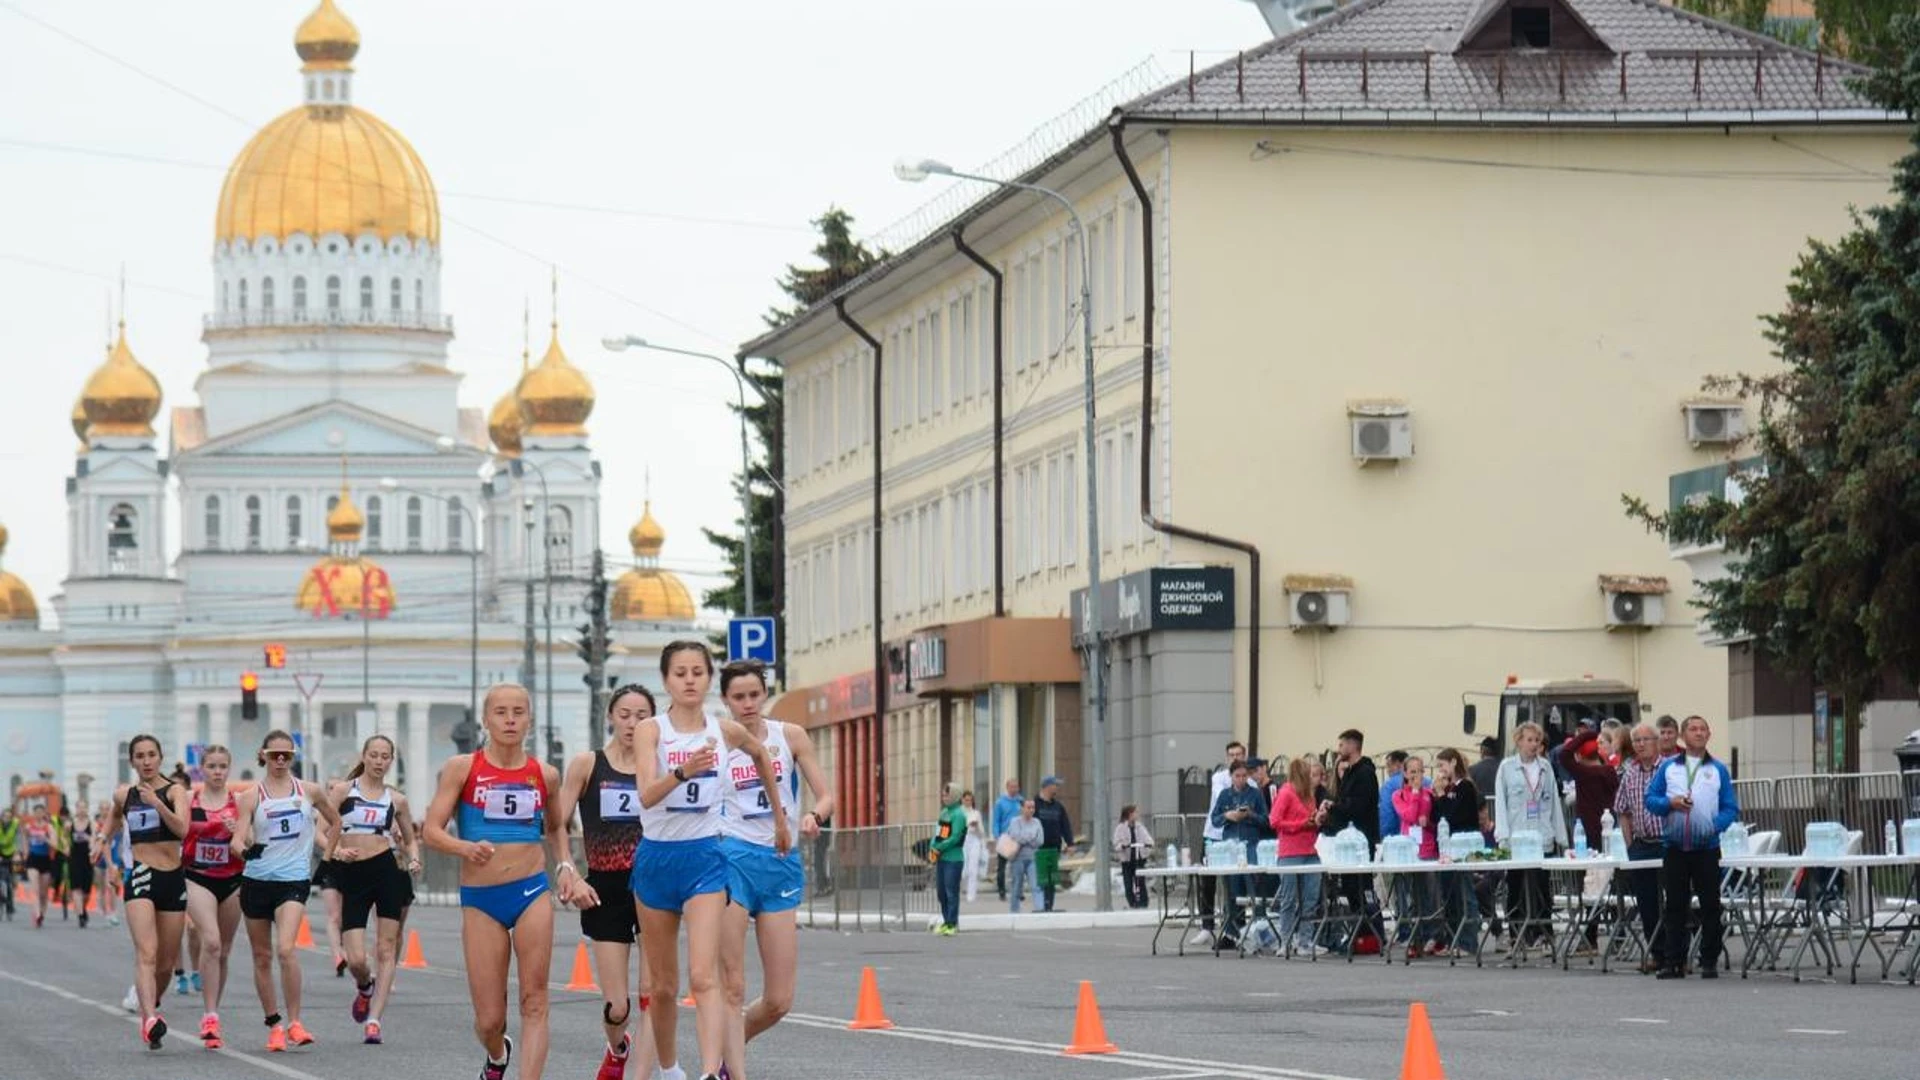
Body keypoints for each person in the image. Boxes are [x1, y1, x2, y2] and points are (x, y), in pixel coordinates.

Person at [631, 643, 788, 1080]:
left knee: (704, 978)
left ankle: (707, 1072)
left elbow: (762, 755)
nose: (689, 680)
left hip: (705, 858)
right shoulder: (652, 730)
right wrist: (684, 771)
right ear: (666, 680)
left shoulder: (724, 731)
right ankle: (669, 1069)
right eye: (680, 673)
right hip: (658, 859)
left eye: (697, 672)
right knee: (662, 987)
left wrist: (780, 818)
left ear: (707, 680)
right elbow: (645, 794)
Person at [423, 683, 572, 1080]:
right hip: (482, 898)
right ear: (486, 719)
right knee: (489, 1020)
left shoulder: (545, 774)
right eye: (501, 712)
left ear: (529, 719)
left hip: (530, 890)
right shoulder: (463, 768)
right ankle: (496, 1052)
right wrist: (463, 848)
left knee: (535, 1000)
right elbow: (431, 831)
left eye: (518, 712)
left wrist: (566, 867)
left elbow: (557, 827)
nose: (510, 720)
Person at [714, 659, 831, 1080]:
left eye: (753, 695)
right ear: (725, 699)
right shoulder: (716, 741)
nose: (747, 704)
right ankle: (730, 1069)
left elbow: (825, 795)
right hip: (731, 857)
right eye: (738, 697)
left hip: (780, 862)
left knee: (780, 999)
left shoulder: (790, 736)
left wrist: (813, 817)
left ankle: (728, 1046)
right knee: (733, 986)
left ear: (765, 693)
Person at [556, 684, 661, 1080]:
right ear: (611, 717)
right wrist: (567, 868)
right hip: (604, 887)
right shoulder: (587, 765)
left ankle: (640, 1075)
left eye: (641, 716)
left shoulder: (662, 765)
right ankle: (618, 1047)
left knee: (652, 995)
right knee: (617, 1005)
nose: (633, 723)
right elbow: (557, 823)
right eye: (625, 714)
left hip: (654, 885)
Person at [233, 729, 342, 1052]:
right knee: (262, 956)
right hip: (256, 880)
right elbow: (237, 838)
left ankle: (296, 1022)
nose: (280, 760)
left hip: (293, 880)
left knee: (285, 949)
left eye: (287, 755)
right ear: (263, 755)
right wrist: (244, 851)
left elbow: (335, 822)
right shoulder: (251, 796)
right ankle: (274, 1024)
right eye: (274, 755)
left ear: (294, 757)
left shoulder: (309, 791)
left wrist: (328, 857)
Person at [329, 734, 421, 1045]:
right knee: (356, 958)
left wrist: (415, 858)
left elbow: (410, 838)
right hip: (353, 874)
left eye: (385, 757)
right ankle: (365, 986)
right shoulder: (343, 791)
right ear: (364, 757)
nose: (379, 761)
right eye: (375, 755)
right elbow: (319, 831)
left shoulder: (397, 800)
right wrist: (337, 850)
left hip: (386, 871)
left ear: (391, 761)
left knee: (385, 948)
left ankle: (374, 1020)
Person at [103, 734, 190, 1049]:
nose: (146, 761)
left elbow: (183, 829)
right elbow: (114, 815)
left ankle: (151, 1005)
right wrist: (102, 840)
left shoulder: (175, 791)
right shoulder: (124, 794)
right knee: (147, 953)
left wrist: (157, 803)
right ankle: (150, 1018)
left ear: (160, 758)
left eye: (151, 755)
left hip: (172, 877)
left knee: (166, 964)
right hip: (139, 874)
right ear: (133, 761)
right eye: (139, 756)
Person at [1645, 715, 1739, 981]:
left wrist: (1714, 825)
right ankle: (1674, 961)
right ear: (1682, 737)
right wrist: (1670, 803)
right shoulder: (1668, 768)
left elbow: (1730, 808)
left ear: (1709, 735)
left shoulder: (1718, 769)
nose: (1698, 733)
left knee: (1710, 904)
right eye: (1692, 729)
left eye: (1702, 729)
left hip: (1706, 846)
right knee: (1674, 905)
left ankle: (1709, 959)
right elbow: (1650, 799)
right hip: (1674, 846)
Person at [181, 744, 245, 1049]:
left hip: (233, 879)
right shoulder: (189, 799)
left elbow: (252, 843)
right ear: (201, 769)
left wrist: (239, 833)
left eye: (222, 766)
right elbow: (176, 831)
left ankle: (213, 1010)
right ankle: (209, 1015)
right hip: (198, 876)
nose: (217, 772)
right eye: (212, 766)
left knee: (225, 950)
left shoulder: (240, 802)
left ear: (228, 769)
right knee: (212, 941)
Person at [1492, 720, 1566, 951]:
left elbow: (1553, 801)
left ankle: (1545, 934)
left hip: (1542, 836)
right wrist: (1502, 836)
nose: (1534, 745)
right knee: (1515, 886)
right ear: (1519, 741)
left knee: (1542, 886)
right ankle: (1516, 934)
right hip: (1517, 838)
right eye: (1529, 740)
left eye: (1537, 740)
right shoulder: (1506, 767)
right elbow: (1501, 804)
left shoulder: (1545, 767)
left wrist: (1560, 836)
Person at [1613, 720, 1669, 974]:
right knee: (1646, 903)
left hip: (1668, 843)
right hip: (1642, 845)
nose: (1641, 745)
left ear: (1657, 742)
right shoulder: (1630, 773)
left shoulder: (1669, 769)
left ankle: (1678, 952)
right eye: (1636, 741)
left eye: (1646, 740)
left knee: (1675, 901)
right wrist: (1629, 843)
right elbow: (1622, 810)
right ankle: (1657, 953)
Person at [1325, 729, 1380, 945]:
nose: (1339, 750)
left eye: (1341, 745)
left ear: (1352, 745)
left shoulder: (1365, 773)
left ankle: (1370, 933)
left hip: (1361, 841)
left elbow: (1358, 806)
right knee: (1349, 888)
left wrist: (1336, 807)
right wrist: (1333, 808)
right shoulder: (1348, 773)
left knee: (1361, 888)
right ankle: (1359, 932)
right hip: (1347, 841)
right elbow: (1343, 801)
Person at [1268, 758, 1326, 956]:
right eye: (1308, 774)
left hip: (1310, 850)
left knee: (1310, 898)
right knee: (1288, 899)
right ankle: (1285, 940)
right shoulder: (1286, 793)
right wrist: (1301, 823)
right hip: (1290, 852)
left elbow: (1311, 817)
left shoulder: (1309, 796)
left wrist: (1317, 819)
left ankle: (1305, 940)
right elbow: (1274, 820)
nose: (1312, 778)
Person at [1209, 760, 1267, 950]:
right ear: (1231, 777)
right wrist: (1228, 816)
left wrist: (1250, 814)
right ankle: (1232, 932)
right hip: (1231, 847)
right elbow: (1215, 819)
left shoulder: (1255, 794)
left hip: (1250, 845)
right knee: (1233, 891)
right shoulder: (1225, 795)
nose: (1241, 779)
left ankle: (1258, 932)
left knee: (1254, 890)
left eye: (1244, 776)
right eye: (1237, 776)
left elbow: (1266, 820)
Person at [1430, 748, 1482, 958]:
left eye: (1442, 765)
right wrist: (1438, 796)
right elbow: (1438, 816)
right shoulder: (1449, 789)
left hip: (1463, 846)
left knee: (1465, 894)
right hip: (1448, 848)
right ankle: (1453, 939)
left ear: (1453, 763)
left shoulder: (1465, 787)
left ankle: (1468, 941)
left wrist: (1443, 797)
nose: (1440, 771)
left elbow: (1454, 815)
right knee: (1450, 896)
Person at [1193, 740, 1247, 944]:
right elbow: (1222, 800)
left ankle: (1235, 925)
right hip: (1213, 834)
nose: (1235, 758)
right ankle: (1207, 925)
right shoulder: (1219, 778)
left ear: (1244, 756)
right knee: (1207, 880)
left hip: (1233, 838)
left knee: (1234, 883)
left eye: (1239, 755)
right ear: (1227, 758)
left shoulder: (1248, 781)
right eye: (1232, 755)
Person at [928, 783, 968, 935]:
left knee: (951, 892)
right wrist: (933, 846)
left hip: (954, 858)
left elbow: (955, 837)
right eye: (944, 795)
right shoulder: (944, 813)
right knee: (941, 892)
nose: (944, 798)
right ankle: (946, 921)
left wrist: (939, 847)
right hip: (942, 858)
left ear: (955, 796)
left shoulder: (959, 814)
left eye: (948, 795)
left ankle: (953, 923)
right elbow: (938, 832)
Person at [1032, 776, 1075, 914]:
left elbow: (1065, 826)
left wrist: (1070, 843)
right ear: (1047, 787)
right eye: (1055, 785)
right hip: (1038, 848)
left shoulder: (1058, 807)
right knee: (1041, 878)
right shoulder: (1035, 804)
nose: (1057, 788)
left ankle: (1049, 905)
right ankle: (1041, 905)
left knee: (1052, 878)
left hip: (1054, 848)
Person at [22, 803, 57, 929]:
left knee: (44, 893)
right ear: (33, 814)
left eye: (40, 812)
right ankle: (36, 914)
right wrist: (26, 852)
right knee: (35, 889)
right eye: (36, 812)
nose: (38, 815)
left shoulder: (49, 827)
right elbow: (25, 839)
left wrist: (45, 839)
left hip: (46, 860)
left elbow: (55, 845)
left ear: (44, 814)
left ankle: (42, 914)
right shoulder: (28, 827)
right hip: (33, 859)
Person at [1112, 805, 1154, 910]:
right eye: (1135, 812)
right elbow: (1116, 842)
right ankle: (1132, 902)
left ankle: (1143, 902)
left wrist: (1148, 844)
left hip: (1139, 857)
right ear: (1129, 814)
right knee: (1128, 882)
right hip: (1127, 859)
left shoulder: (1139, 827)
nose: (1137, 815)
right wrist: (1122, 846)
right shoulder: (1120, 828)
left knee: (1140, 880)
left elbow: (1147, 838)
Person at [990, 779, 1022, 901]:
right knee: (1002, 866)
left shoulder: (1020, 801)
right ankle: (1002, 891)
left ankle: (1018, 890)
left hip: (1018, 837)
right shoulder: (1000, 802)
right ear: (1007, 788)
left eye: (1016, 787)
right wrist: (997, 836)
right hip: (1005, 837)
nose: (1014, 789)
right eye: (1012, 787)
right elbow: (996, 820)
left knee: (1018, 866)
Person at [959, 790, 986, 903]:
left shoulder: (976, 813)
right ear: (962, 800)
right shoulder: (958, 813)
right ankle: (962, 889)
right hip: (963, 840)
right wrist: (967, 825)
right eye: (966, 800)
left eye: (970, 800)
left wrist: (977, 827)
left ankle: (971, 895)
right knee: (963, 868)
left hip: (974, 840)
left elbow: (982, 831)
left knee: (973, 868)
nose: (968, 802)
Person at [0, 807, 17, 920]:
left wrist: (18, 854)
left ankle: (10, 907)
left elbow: (19, 840)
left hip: (11, 855)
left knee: (10, 883)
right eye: (5, 816)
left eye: (9, 817)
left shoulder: (15, 826)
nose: (7, 819)